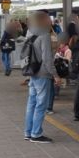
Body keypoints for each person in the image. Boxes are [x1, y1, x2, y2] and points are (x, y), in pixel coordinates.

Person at [23, 11, 59, 143]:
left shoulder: (30, 32)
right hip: (43, 73)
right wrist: (55, 75)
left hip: (32, 72)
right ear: (43, 21)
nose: (50, 21)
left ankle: (28, 132)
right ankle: (36, 134)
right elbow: (47, 59)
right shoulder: (44, 35)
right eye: (48, 19)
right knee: (41, 105)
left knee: (31, 103)